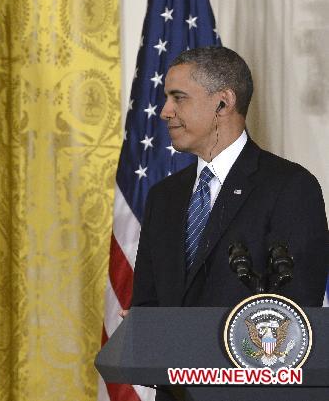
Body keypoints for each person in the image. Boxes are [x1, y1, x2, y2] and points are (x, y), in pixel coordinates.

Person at [130, 47, 328, 398]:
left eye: (178, 98)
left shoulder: (289, 187)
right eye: (166, 99)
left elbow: (294, 317)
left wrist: (184, 340)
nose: (164, 112)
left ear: (223, 103)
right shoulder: (164, 197)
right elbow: (147, 305)